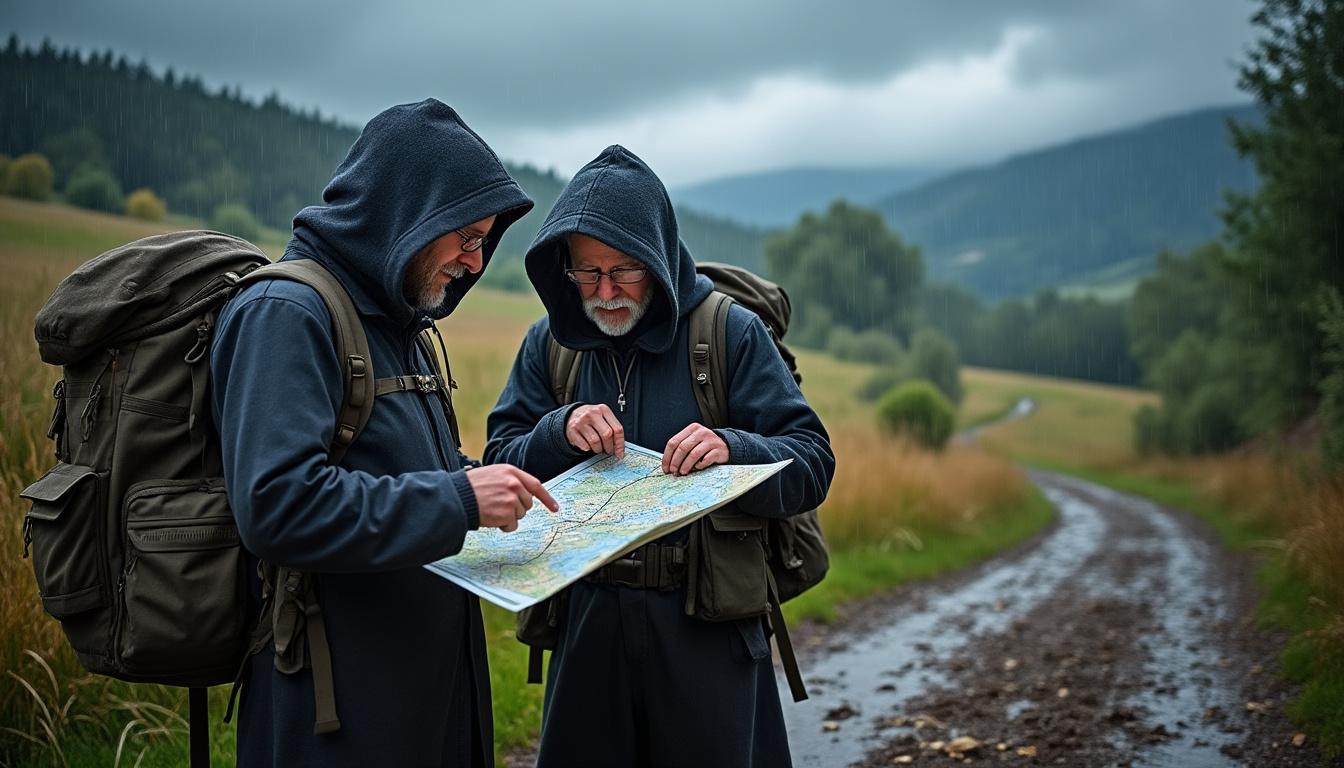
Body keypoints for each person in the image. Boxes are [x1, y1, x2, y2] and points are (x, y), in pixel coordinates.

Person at [211, 98, 557, 767]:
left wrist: (496, 487)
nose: (475, 262)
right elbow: (277, 505)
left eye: (485, 241)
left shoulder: (401, 324)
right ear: (407, 211)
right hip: (337, 707)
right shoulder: (285, 313)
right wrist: (460, 500)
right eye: (465, 237)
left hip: (424, 689)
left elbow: (403, 468)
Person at [484, 145, 835, 767]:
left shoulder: (729, 332)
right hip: (586, 624)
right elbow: (499, 458)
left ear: (659, 257)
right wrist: (556, 430)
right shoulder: (549, 344)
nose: (606, 291)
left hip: (709, 630)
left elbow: (811, 462)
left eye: (624, 271)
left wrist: (735, 448)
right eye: (586, 273)